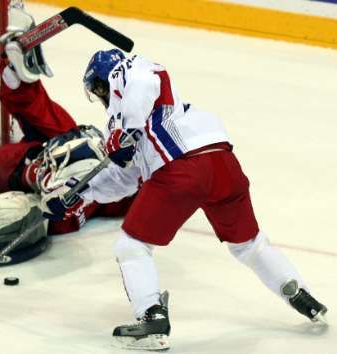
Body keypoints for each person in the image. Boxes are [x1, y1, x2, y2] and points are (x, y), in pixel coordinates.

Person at [42, 49, 328, 351]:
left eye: (99, 90)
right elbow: (123, 178)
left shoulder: (132, 78)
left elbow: (147, 75)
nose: (100, 96)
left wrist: (124, 129)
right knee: (248, 244)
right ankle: (297, 292)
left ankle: (151, 317)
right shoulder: (155, 120)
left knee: (132, 246)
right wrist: (79, 194)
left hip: (183, 169)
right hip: (224, 166)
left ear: (103, 84)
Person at [0, 6, 133, 274]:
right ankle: (18, 73)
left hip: (11, 181)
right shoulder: (106, 165)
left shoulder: (115, 186)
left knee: (55, 182)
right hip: (24, 171)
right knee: (72, 144)